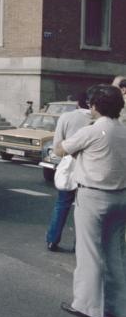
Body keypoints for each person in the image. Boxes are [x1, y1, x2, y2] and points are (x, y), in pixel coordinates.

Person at [55, 85, 126, 317]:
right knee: (115, 253)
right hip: (120, 197)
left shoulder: (94, 130)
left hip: (94, 197)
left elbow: (60, 149)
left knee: (89, 254)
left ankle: (88, 306)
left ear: (95, 106)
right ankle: (120, 308)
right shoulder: (123, 130)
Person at [45, 92, 90, 253]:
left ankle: (52, 240)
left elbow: (58, 148)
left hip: (70, 165)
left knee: (62, 204)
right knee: (84, 209)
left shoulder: (67, 117)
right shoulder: (98, 121)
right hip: (90, 169)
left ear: (78, 102)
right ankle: (79, 245)